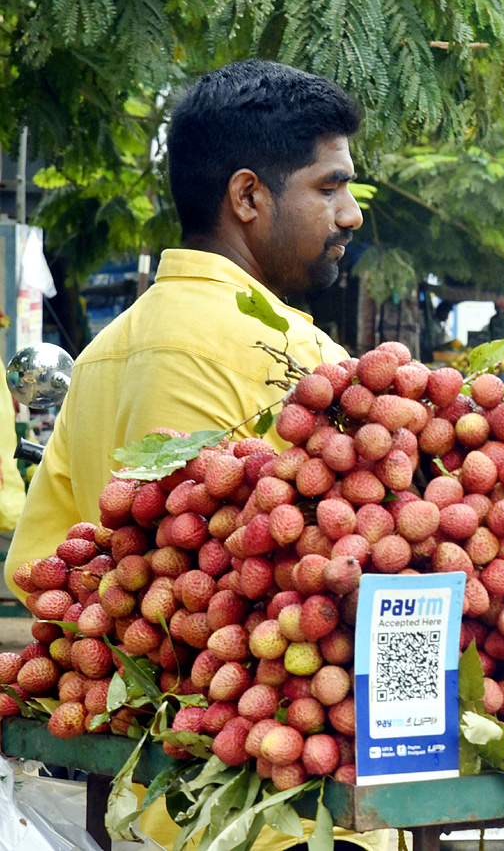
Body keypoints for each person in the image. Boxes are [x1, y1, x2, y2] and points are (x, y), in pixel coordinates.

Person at [4, 60, 388, 851]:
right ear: (248, 197)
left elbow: (40, 570)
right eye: (330, 187)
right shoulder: (308, 361)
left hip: (131, 800)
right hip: (279, 813)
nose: (350, 215)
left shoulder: (106, 352)